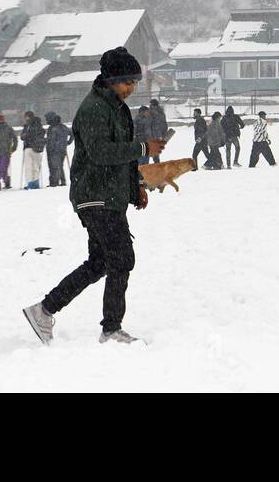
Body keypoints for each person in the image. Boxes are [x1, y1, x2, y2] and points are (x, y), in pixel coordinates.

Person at [23, 47, 163, 346]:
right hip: (94, 195)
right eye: (127, 82)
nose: (131, 88)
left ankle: (44, 310)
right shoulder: (94, 109)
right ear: (111, 79)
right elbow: (100, 153)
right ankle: (111, 329)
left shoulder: (117, 109)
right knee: (122, 259)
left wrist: (135, 185)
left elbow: (119, 157)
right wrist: (142, 149)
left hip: (109, 196)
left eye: (135, 83)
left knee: (100, 262)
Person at [44, 111, 72, 186]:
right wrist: (67, 142)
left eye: (47, 118)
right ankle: (62, 181)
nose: (46, 120)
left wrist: (68, 142)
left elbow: (72, 133)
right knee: (59, 166)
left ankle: (55, 182)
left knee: (55, 166)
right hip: (57, 149)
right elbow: (72, 133)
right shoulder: (61, 126)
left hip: (55, 149)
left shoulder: (56, 127)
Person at [21, 111, 46, 189]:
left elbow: (24, 136)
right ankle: (35, 182)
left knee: (29, 167)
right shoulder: (38, 125)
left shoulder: (28, 126)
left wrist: (26, 135)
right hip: (37, 148)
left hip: (29, 147)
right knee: (36, 166)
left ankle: (31, 183)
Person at [0, 113, 17, 190]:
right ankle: (0, 183)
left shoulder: (6, 128)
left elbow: (15, 139)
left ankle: (3, 182)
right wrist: (13, 148)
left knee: (0, 168)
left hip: (4, 152)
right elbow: (15, 139)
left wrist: (13, 148)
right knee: (0, 168)